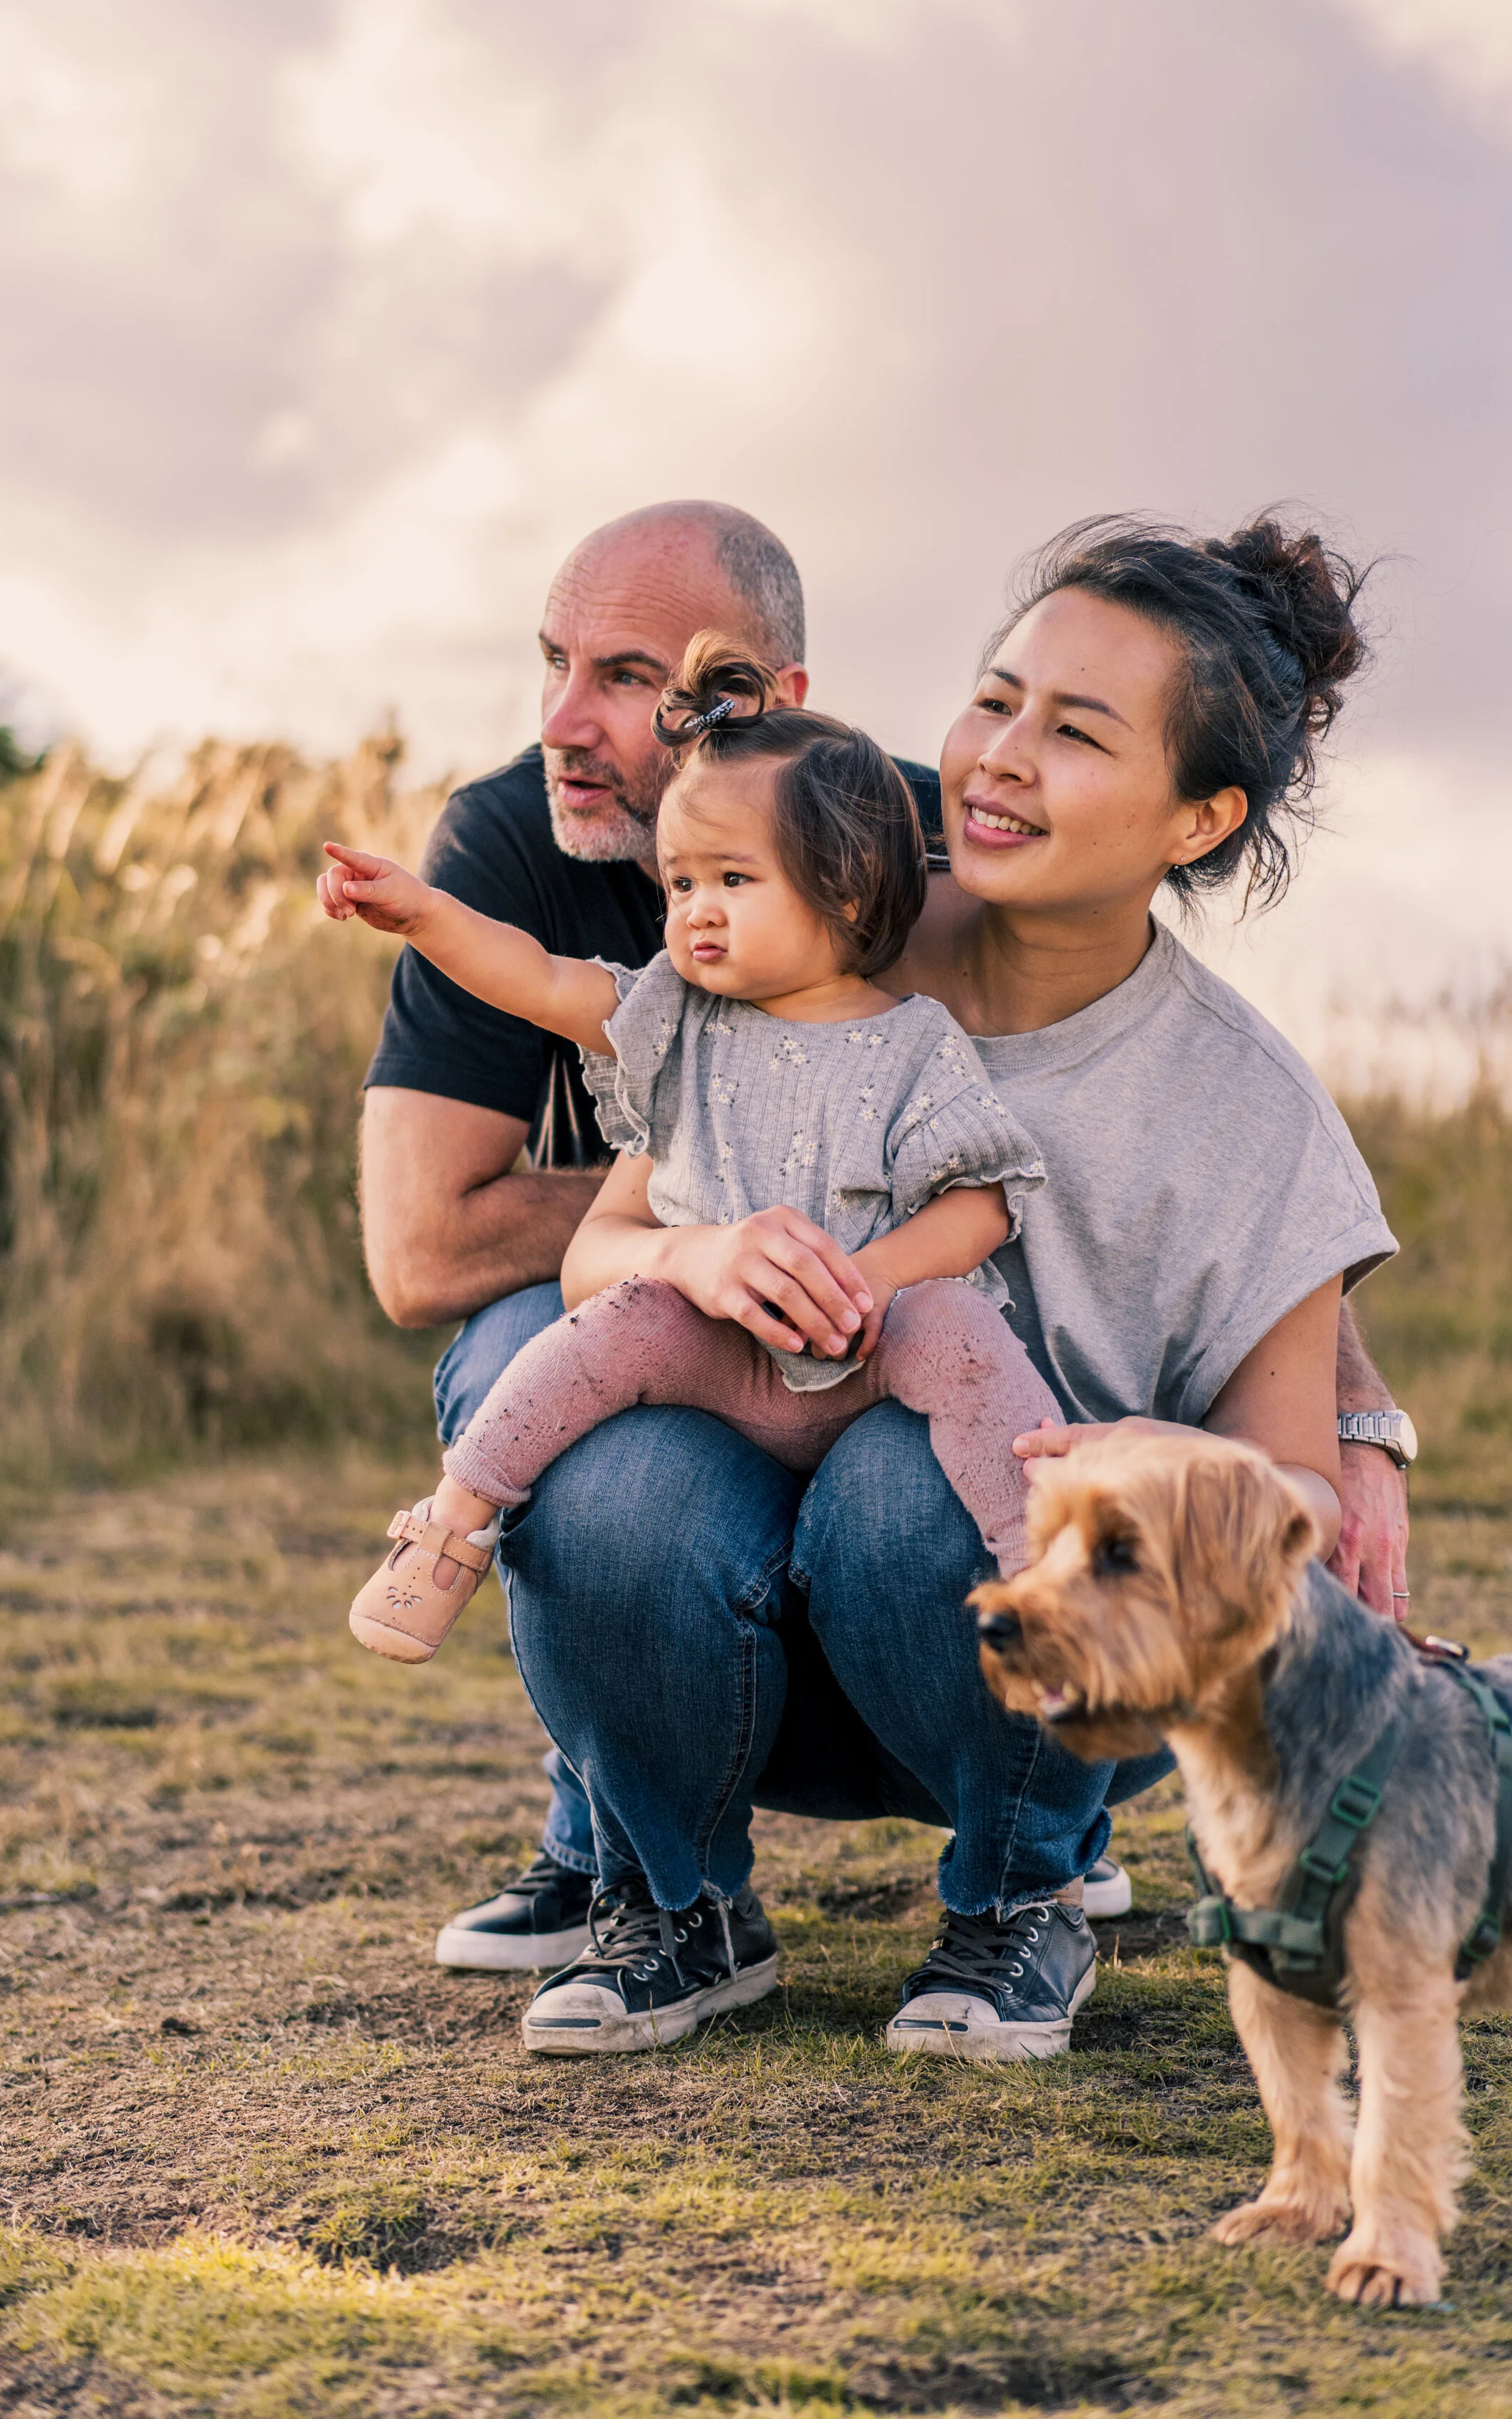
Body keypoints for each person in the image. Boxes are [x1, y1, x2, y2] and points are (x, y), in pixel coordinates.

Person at [358, 501, 1412, 1974]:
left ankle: (1020, 1891)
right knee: (595, 1433)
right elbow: (600, 1250)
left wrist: (1255, 1452)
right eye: (994, 701)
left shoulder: (1244, 1111)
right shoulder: (804, 935)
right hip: (735, 1642)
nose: (997, 757)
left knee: (895, 1482)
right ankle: (665, 1884)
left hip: (1016, 1660)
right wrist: (691, 1254)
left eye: (1077, 734)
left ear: (1196, 821)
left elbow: (1286, 1484)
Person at [325, 634, 1060, 1677]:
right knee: (614, 1321)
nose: (693, 910)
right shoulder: (678, 1017)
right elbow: (538, 977)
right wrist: (429, 917)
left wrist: (873, 1280)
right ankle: (455, 1519)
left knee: (962, 1325)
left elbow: (982, 1202)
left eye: (731, 878)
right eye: (678, 881)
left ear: (845, 888)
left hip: (866, 1354)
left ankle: (1044, 1576)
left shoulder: (916, 1041)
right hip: (715, 1353)